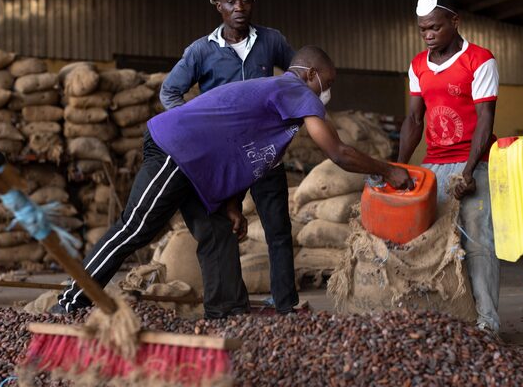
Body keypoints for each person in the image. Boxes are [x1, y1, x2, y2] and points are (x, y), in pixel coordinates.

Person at [55, 46, 412, 318]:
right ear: (310, 74)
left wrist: (231, 205)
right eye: (328, 83)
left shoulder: (278, 106)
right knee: (135, 229)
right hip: (176, 150)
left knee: (218, 232)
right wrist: (388, 169)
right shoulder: (296, 91)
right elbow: (339, 152)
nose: (327, 92)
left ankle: (227, 315)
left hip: (199, 166)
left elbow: (241, 154)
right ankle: (71, 302)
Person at [159, 0, 299, 314]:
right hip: (224, 161)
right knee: (225, 229)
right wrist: (195, 130)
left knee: (278, 231)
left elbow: (300, 74)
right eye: (231, 1)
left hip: (266, 155)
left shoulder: (271, 41)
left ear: (253, 3)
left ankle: (285, 306)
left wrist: (286, 121)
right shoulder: (201, 52)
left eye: (246, 0)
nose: (239, 7)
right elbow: (169, 92)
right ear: (217, 5)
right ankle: (231, 305)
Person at [397, 0, 501, 337]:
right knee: (431, 243)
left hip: (474, 162)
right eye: (423, 29)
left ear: (454, 22)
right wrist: (400, 168)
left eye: (435, 27)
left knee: (477, 242)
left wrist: (469, 171)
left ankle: (488, 322)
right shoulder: (417, 65)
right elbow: (413, 121)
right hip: (433, 165)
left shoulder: (479, 59)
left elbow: (485, 119)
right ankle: (447, 320)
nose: (428, 35)